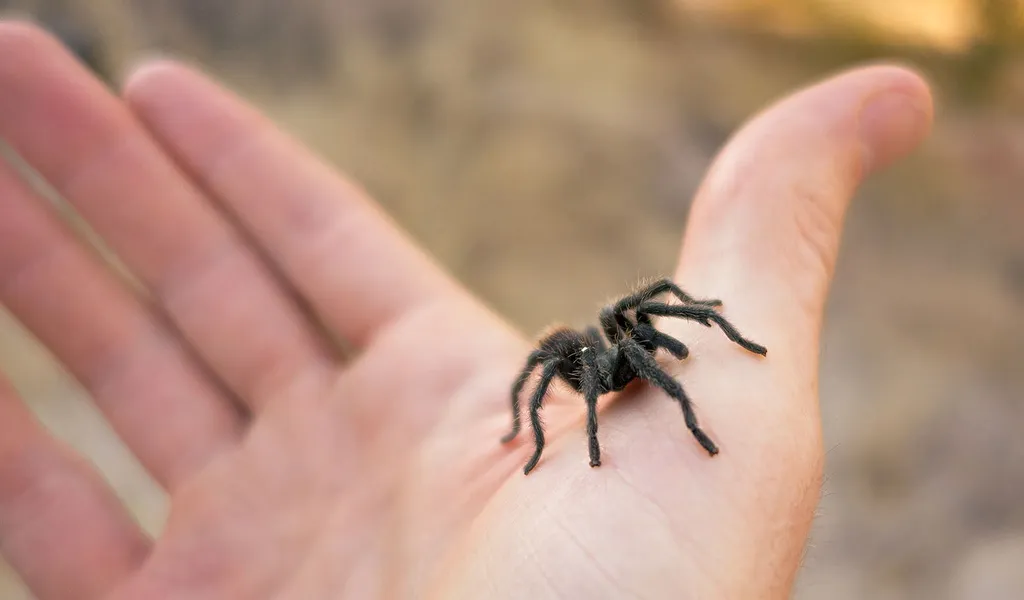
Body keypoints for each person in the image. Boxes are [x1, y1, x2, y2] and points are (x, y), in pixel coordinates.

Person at [0, 21, 932, 600]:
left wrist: (716, 327)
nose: (641, 344)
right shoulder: (589, 364)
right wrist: (566, 436)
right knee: (575, 335)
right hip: (591, 402)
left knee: (631, 302)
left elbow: (662, 311)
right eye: (635, 345)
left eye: (646, 340)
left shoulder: (641, 335)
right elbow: (555, 368)